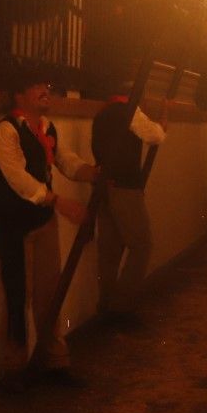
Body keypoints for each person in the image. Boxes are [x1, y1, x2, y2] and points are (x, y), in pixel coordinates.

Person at [0, 77, 97, 387]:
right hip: (14, 226)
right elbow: (19, 180)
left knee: (50, 293)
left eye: (46, 84)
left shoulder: (47, 128)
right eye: (35, 85)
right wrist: (60, 202)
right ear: (18, 94)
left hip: (43, 221)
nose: (45, 90)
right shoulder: (5, 132)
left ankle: (55, 360)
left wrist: (91, 173)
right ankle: (15, 367)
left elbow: (65, 161)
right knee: (18, 295)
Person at [90, 79, 167, 324]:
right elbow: (155, 135)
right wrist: (163, 121)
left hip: (104, 187)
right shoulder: (129, 112)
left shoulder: (101, 115)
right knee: (142, 245)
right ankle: (121, 305)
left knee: (109, 252)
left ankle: (106, 304)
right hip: (126, 187)